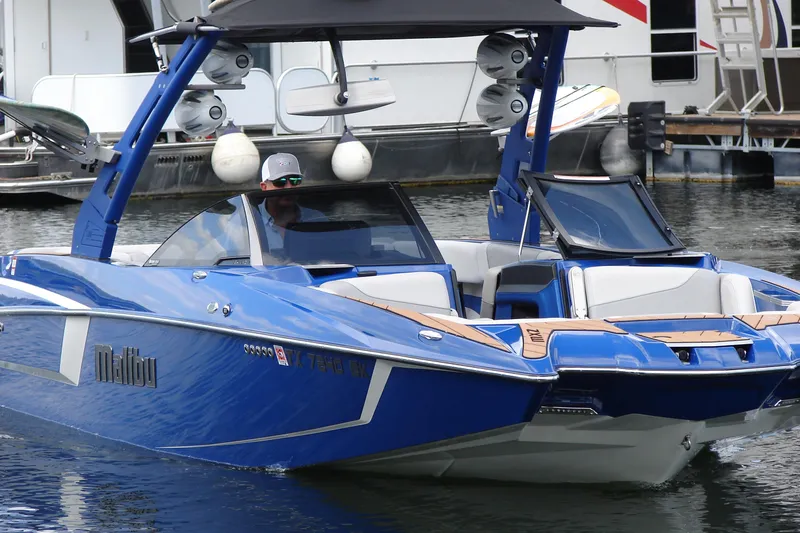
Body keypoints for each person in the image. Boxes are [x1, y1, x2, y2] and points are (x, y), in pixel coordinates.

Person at [258, 153, 324, 252]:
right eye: (280, 182)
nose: (289, 187)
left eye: (294, 181)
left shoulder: (317, 219)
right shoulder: (243, 221)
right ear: (264, 187)